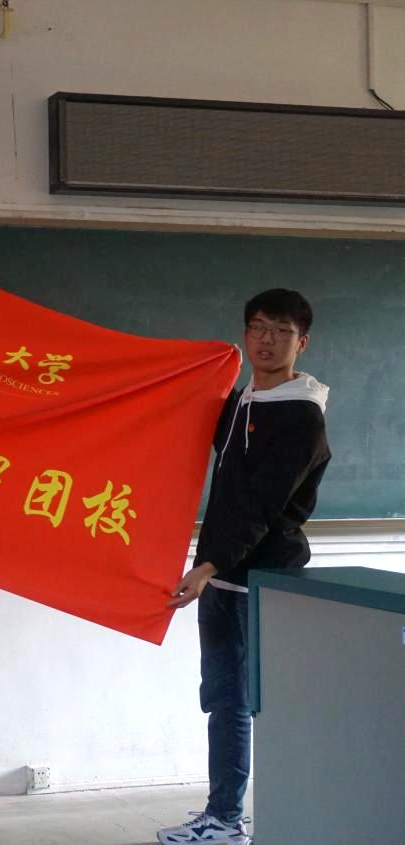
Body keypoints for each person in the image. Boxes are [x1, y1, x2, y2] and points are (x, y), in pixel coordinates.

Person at [157, 290, 331, 845]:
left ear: (302, 342)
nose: (267, 340)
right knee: (224, 699)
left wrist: (208, 564)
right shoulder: (241, 403)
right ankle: (223, 815)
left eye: (281, 331)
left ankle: (243, 819)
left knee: (258, 703)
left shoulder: (301, 415)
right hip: (222, 576)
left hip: (263, 580)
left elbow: (262, 504)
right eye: (257, 327)